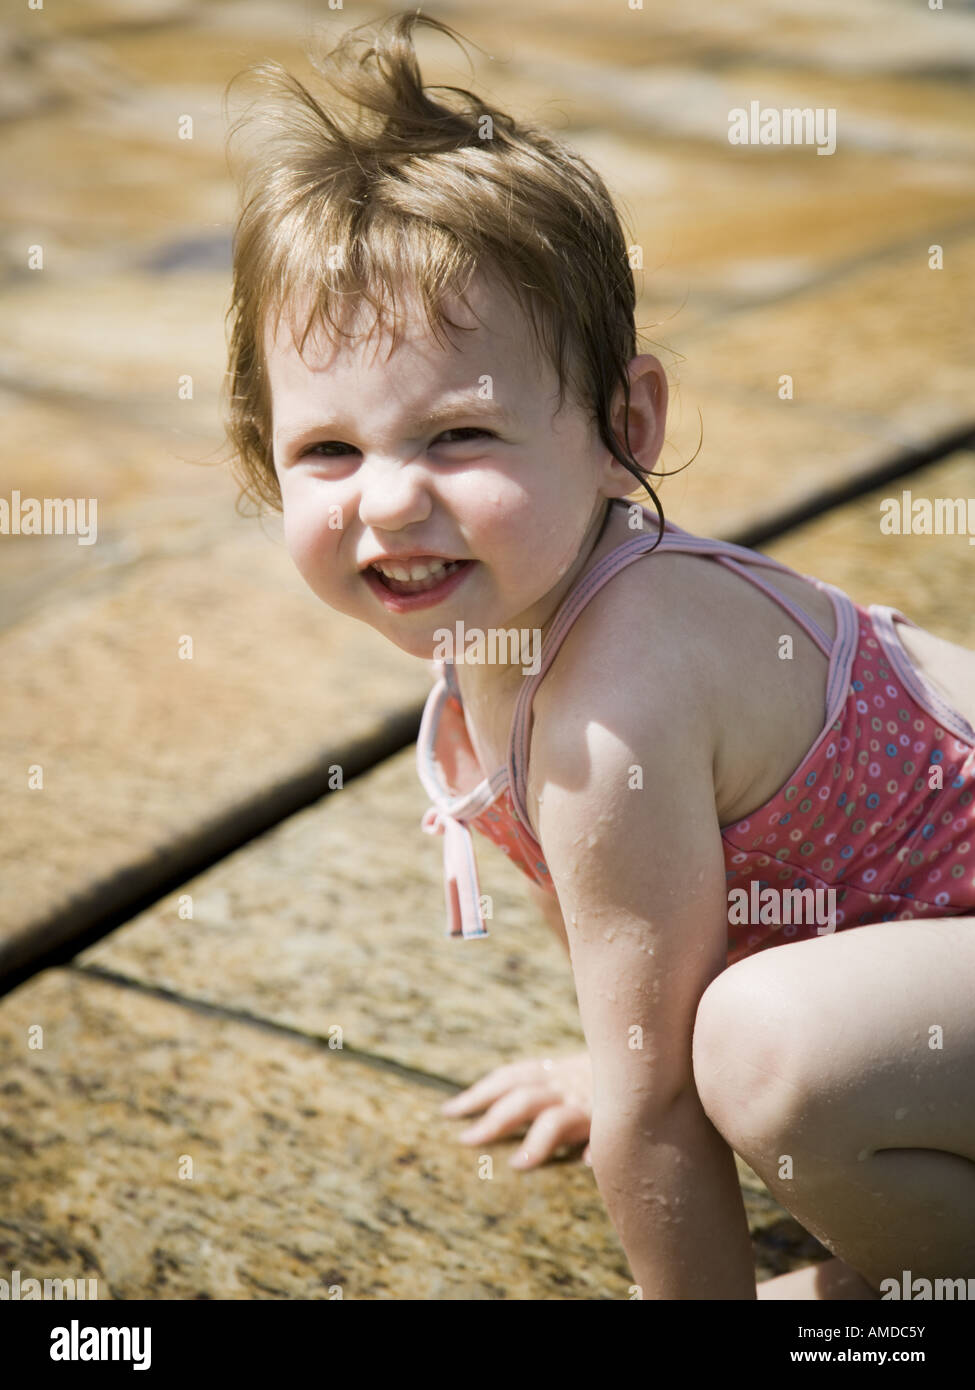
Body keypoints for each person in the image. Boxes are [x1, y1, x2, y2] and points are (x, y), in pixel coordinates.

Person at [223, 11, 975, 1299]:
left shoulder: (620, 688)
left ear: (626, 421)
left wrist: (641, 1100)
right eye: (330, 451)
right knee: (731, 1042)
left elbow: (662, 1122)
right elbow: (643, 920)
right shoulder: (517, 625)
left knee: (761, 1056)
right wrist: (619, 1048)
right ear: (264, 455)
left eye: (460, 435)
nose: (391, 501)